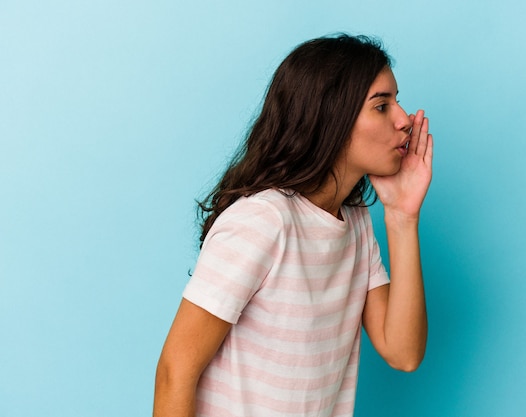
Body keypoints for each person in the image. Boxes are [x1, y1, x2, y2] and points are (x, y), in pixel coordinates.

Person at [153, 34, 433, 417]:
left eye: (396, 101)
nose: (404, 120)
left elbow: (403, 352)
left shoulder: (354, 222)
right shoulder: (262, 221)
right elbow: (176, 371)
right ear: (330, 117)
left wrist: (403, 217)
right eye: (382, 106)